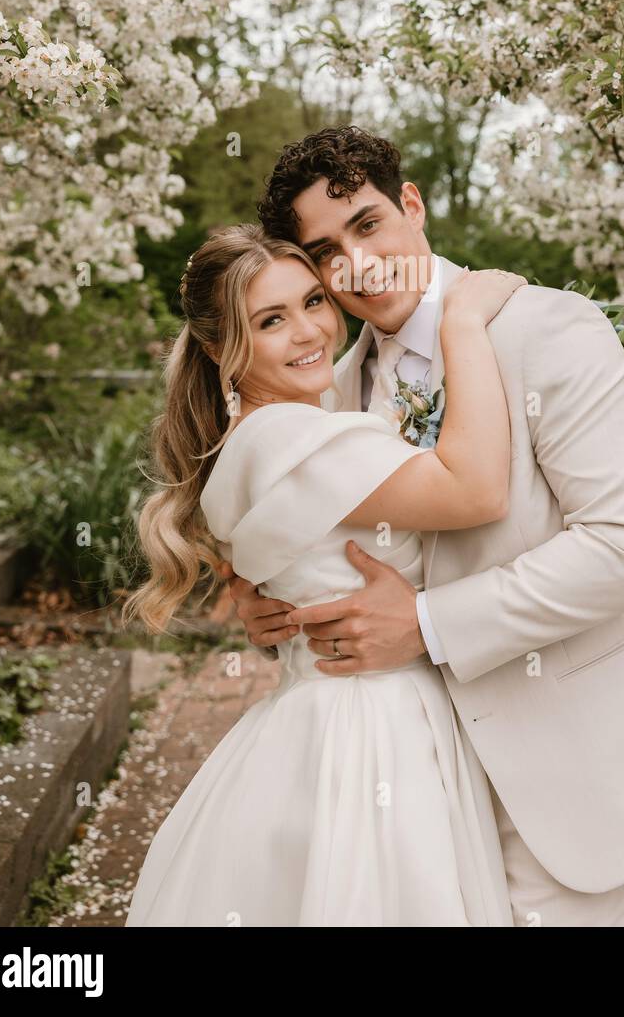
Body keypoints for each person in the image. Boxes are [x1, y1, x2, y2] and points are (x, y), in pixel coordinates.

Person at [224, 124, 624, 928]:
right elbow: (331, 543)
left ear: (412, 205)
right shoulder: (330, 385)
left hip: (566, 760)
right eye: (324, 253)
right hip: (415, 784)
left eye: (366, 223)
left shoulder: (547, 328)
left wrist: (424, 624)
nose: (356, 264)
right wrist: (276, 609)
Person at [123, 222, 526, 926]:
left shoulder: (266, 432)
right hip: (371, 724)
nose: (309, 331)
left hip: (332, 702)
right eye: (271, 321)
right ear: (221, 347)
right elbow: (476, 493)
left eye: (313, 301)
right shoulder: (288, 437)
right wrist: (462, 319)